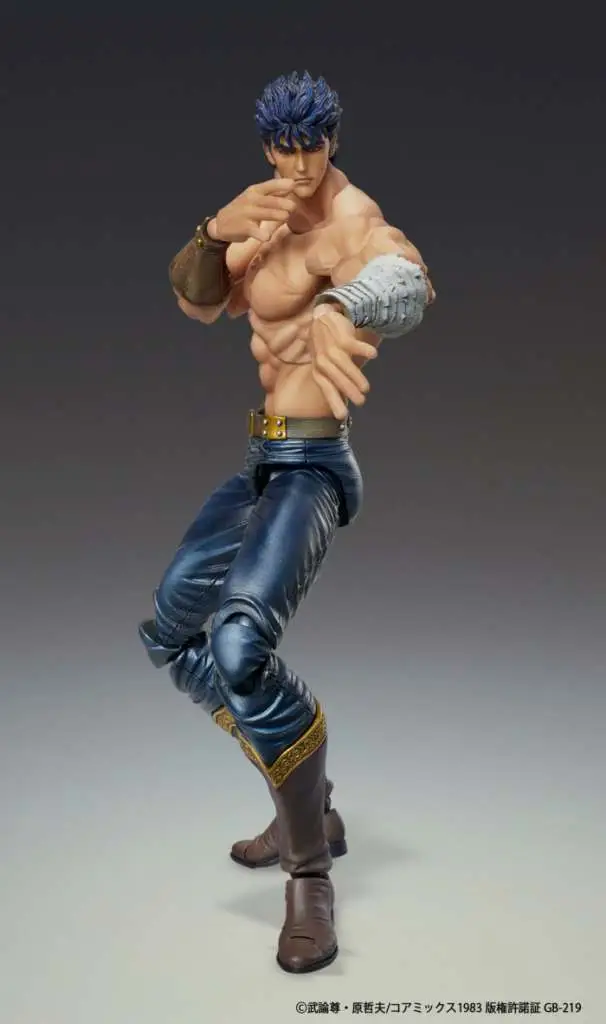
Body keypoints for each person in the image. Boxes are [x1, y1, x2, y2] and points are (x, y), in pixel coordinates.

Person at [139, 70, 436, 974]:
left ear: (333, 140)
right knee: (170, 632)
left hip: (314, 465)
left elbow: (409, 279)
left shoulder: (347, 215)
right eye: (285, 147)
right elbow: (198, 300)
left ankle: (309, 875)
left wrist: (348, 303)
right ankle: (302, 795)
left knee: (239, 648)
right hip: (261, 459)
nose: (301, 164)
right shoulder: (265, 210)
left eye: (314, 146)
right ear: (268, 145)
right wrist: (211, 231)